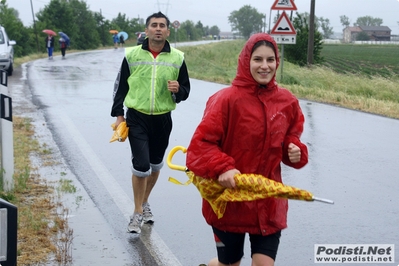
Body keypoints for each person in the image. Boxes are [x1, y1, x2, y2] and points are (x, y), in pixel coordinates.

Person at [186, 33, 308, 266]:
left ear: (277, 62)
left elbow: (291, 138)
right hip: (230, 202)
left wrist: (296, 151)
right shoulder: (225, 100)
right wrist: (223, 168)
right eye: (258, 60)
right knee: (229, 264)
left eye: (270, 60)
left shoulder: (287, 101)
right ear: (246, 61)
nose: (265, 66)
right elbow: (200, 146)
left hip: (268, 201)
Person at [110, 11, 190, 234]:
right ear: (146, 31)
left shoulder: (178, 58)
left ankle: (144, 202)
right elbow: (120, 87)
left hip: (163, 119)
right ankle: (136, 213)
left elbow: (186, 90)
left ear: (167, 31)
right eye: (153, 25)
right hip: (137, 117)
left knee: (155, 165)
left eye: (162, 25)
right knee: (141, 164)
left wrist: (179, 90)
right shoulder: (132, 55)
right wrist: (119, 116)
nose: (157, 29)